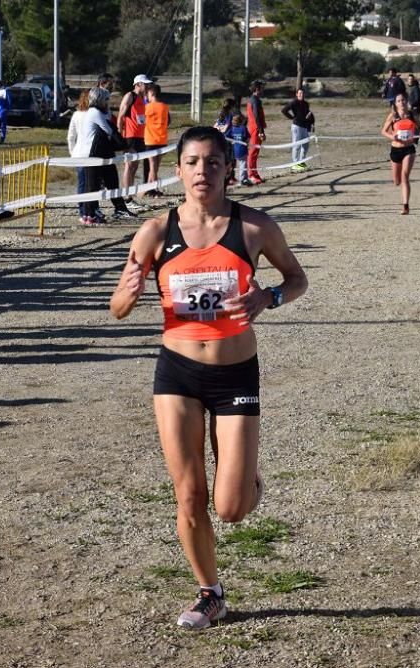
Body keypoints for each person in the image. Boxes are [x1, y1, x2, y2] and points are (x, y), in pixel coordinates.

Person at [109, 125, 308, 630]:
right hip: (176, 371)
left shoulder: (256, 227)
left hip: (235, 372)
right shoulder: (155, 231)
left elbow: (296, 278)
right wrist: (129, 294)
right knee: (189, 495)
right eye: (193, 162)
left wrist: (270, 297)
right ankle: (210, 593)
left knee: (232, 508)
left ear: (228, 170)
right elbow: (117, 308)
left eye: (213, 162)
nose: (203, 172)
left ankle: (245, 480)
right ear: (178, 171)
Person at [75, 87, 136, 225]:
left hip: (102, 153)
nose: (108, 102)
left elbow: (111, 129)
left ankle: (120, 208)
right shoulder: (94, 112)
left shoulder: (102, 112)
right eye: (106, 99)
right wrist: (125, 145)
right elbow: (109, 131)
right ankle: (88, 215)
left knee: (112, 181)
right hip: (90, 154)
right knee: (92, 186)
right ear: (100, 100)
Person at [380, 91, 420, 215]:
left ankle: (406, 206)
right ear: (395, 103)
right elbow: (383, 131)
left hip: (409, 149)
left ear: (407, 101)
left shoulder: (412, 115)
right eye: (399, 101)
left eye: (403, 100)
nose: (401, 103)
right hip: (395, 149)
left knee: (405, 177)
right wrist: (392, 137)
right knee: (397, 181)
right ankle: (400, 188)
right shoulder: (393, 116)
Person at [118, 74, 151, 203]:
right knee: (129, 165)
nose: (148, 86)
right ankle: (126, 196)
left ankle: (130, 195)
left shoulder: (143, 98)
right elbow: (121, 115)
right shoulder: (130, 96)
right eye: (145, 84)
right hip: (129, 136)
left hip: (140, 136)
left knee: (135, 166)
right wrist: (120, 135)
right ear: (138, 84)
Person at [67, 88, 92, 223]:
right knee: (91, 184)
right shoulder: (93, 115)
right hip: (89, 154)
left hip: (78, 154)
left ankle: (83, 211)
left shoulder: (76, 115)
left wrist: (73, 153)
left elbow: (71, 137)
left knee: (82, 183)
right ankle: (88, 211)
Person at [143, 83, 170, 198]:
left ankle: (153, 190)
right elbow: (168, 121)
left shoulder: (147, 107)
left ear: (152, 93)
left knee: (152, 167)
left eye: (147, 94)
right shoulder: (165, 107)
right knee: (155, 168)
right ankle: (149, 189)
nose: (147, 96)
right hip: (162, 139)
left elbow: (141, 120)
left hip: (150, 140)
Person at [280, 87, 315, 172]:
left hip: (304, 127)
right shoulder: (294, 102)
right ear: (296, 94)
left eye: (302, 93)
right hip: (296, 126)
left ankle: (301, 162)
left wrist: (311, 123)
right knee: (297, 145)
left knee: (305, 145)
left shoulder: (306, 103)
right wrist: (292, 117)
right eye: (299, 93)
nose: (301, 95)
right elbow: (284, 110)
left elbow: (309, 114)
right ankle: (295, 164)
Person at [245, 80, 266, 185]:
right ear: (257, 88)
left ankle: (255, 173)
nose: (263, 89)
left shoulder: (256, 100)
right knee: (253, 153)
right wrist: (261, 131)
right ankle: (251, 175)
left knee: (255, 153)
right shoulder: (254, 101)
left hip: (256, 128)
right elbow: (256, 116)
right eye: (262, 87)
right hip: (255, 129)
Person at [228, 113, 249, 186]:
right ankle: (242, 179)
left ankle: (245, 178)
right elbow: (247, 138)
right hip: (242, 149)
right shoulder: (243, 128)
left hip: (235, 149)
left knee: (239, 164)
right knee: (243, 164)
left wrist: (233, 141)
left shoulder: (232, 129)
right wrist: (246, 142)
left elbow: (227, 137)